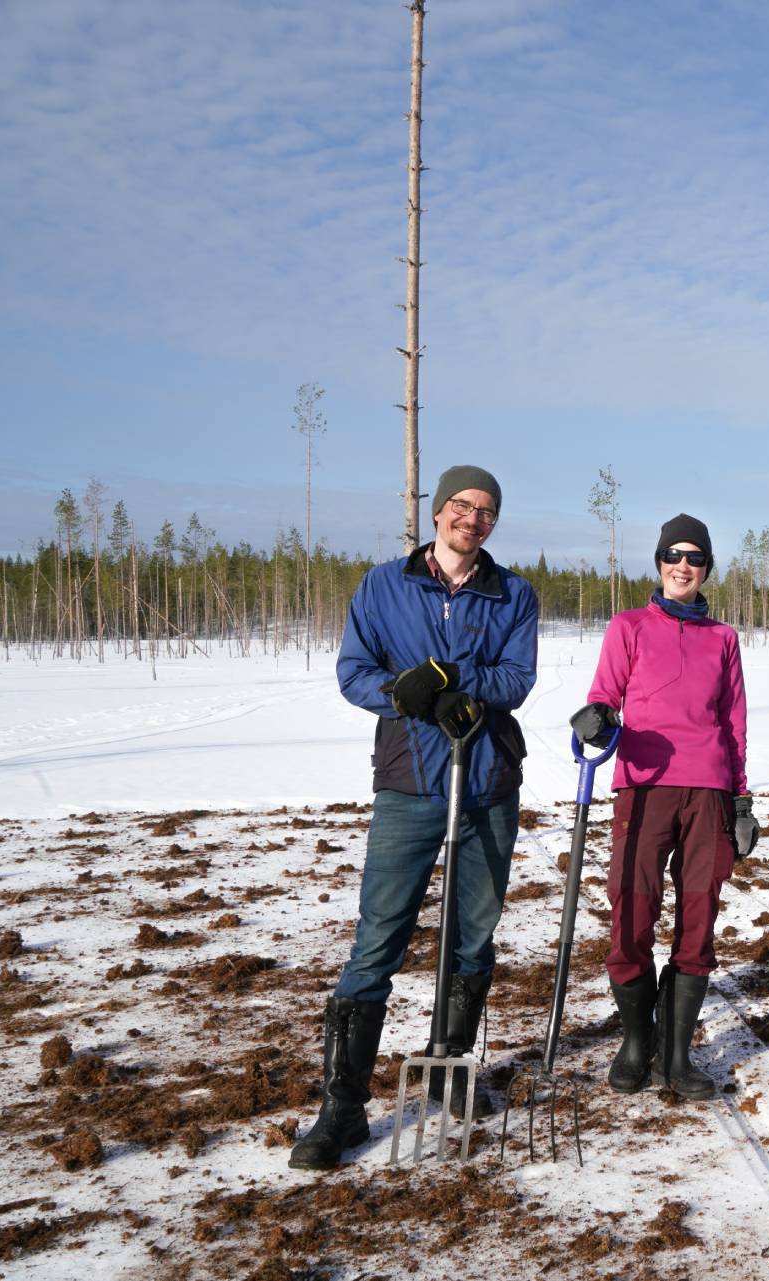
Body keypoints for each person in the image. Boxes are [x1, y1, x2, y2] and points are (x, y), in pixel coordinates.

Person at [289, 465, 539, 1170]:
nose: (472, 518)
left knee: (474, 932)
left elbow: (516, 678)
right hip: (409, 783)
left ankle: (449, 1058)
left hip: (487, 780)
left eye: (486, 510)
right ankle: (342, 1104)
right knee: (378, 938)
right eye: (462, 505)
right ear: (439, 512)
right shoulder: (383, 585)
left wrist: (453, 681)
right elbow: (353, 671)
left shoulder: (512, 592)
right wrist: (407, 697)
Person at [569, 514, 757, 1101]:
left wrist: (741, 799)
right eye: (674, 555)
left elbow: (734, 723)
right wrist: (597, 715)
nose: (684, 566)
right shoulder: (628, 626)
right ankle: (636, 1041)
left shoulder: (723, 638)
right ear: (658, 562)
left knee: (698, 920)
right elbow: (605, 692)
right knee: (630, 914)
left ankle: (676, 1054)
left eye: (695, 558)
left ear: (706, 569)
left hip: (708, 790)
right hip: (643, 785)